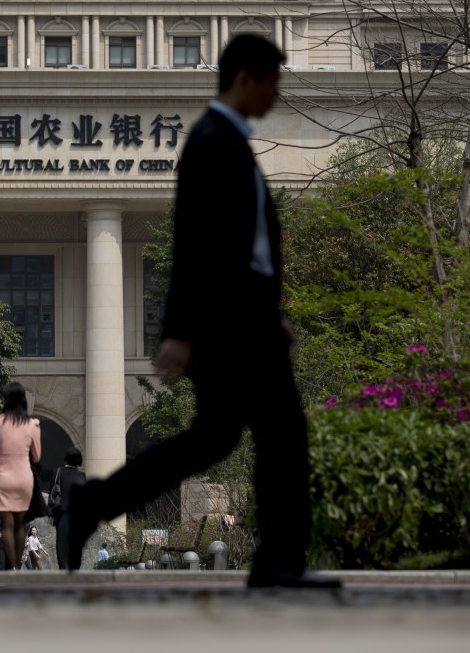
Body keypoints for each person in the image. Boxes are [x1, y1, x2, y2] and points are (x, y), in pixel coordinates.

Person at [64, 34, 341, 589]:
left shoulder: (231, 141)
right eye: (272, 83)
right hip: (229, 327)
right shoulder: (211, 141)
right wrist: (178, 332)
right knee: (281, 435)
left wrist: (272, 314)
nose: (276, 95)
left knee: (217, 438)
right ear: (245, 78)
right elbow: (193, 243)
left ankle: (94, 502)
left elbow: (248, 246)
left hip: (248, 322)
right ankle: (280, 561)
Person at [0, 381, 42, 571]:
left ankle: (8, 566)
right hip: (23, 479)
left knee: (6, 525)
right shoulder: (32, 424)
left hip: (3, 478)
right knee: (21, 525)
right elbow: (36, 456)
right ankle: (15, 566)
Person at [49, 446, 86, 569]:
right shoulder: (82, 475)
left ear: (65, 458)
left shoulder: (57, 472)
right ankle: (74, 567)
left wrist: (51, 515)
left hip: (61, 513)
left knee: (61, 541)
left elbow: (52, 494)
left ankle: (62, 567)